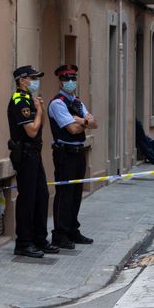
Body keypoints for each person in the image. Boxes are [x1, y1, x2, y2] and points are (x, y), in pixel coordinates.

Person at [8, 66, 59, 258]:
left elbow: (40, 124)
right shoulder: (19, 101)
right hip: (26, 156)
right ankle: (23, 243)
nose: (36, 81)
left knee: (42, 196)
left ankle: (39, 239)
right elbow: (32, 131)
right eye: (32, 78)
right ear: (22, 80)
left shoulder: (29, 99)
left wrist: (40, 110)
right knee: (27, 200)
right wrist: (38, 111)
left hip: (34, 155)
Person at [48, 64, 98, 250]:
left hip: (78, 152)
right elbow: (72, 129)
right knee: (64, 194)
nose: (70, 82)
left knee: (76, 194)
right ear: (60, 81)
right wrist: (84, 121)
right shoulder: (57, 103)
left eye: (73, 78)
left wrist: (81, 120)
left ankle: (72, 230)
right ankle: (60, 234)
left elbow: (95, 123)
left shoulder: (77, 102)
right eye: (66, 79)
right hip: (65, 154)